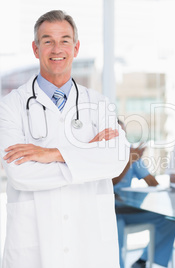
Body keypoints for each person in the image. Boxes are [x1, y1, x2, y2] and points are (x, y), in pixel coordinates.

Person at [0, 10, 129, 268]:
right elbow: (20, 174)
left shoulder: (99, 103)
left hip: (90, 245)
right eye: (47, 41)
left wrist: (52, 154)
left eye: (65, 40)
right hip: (33, 244)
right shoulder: (11, 106)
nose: (57, 48)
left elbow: (116, 160)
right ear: (36, 49)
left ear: (76, 47)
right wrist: (86, 155)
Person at [113, 120, 175, 268]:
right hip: (111, 212)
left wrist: (164, 192)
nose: (122, 139)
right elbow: (111, 182)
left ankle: (142, 260)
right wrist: (130, 161)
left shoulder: (131, 154)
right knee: (115, 229)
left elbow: (151, 181)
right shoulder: (104, 156)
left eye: (124, 135)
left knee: (170, 220)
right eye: (118, 134)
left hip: (128, 210)